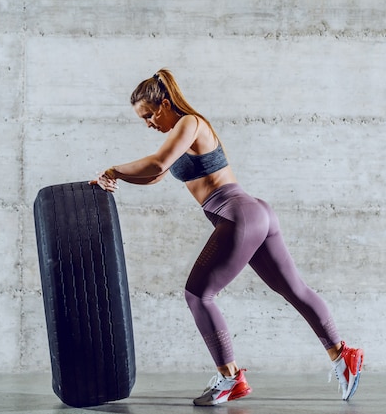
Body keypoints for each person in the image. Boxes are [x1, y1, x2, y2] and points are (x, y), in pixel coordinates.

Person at [91, 68, 364, 406]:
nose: (148, 123)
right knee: (294, 289)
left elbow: (159, 164)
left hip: (237, 215)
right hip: (254, 212)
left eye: (148, 116)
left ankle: (229, 377)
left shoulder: (188, 122)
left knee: (198, 295)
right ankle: (342, 355)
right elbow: (155, 176)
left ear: (163, 104)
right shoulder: (184, 131)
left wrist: (113, 169)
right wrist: (116, 179)